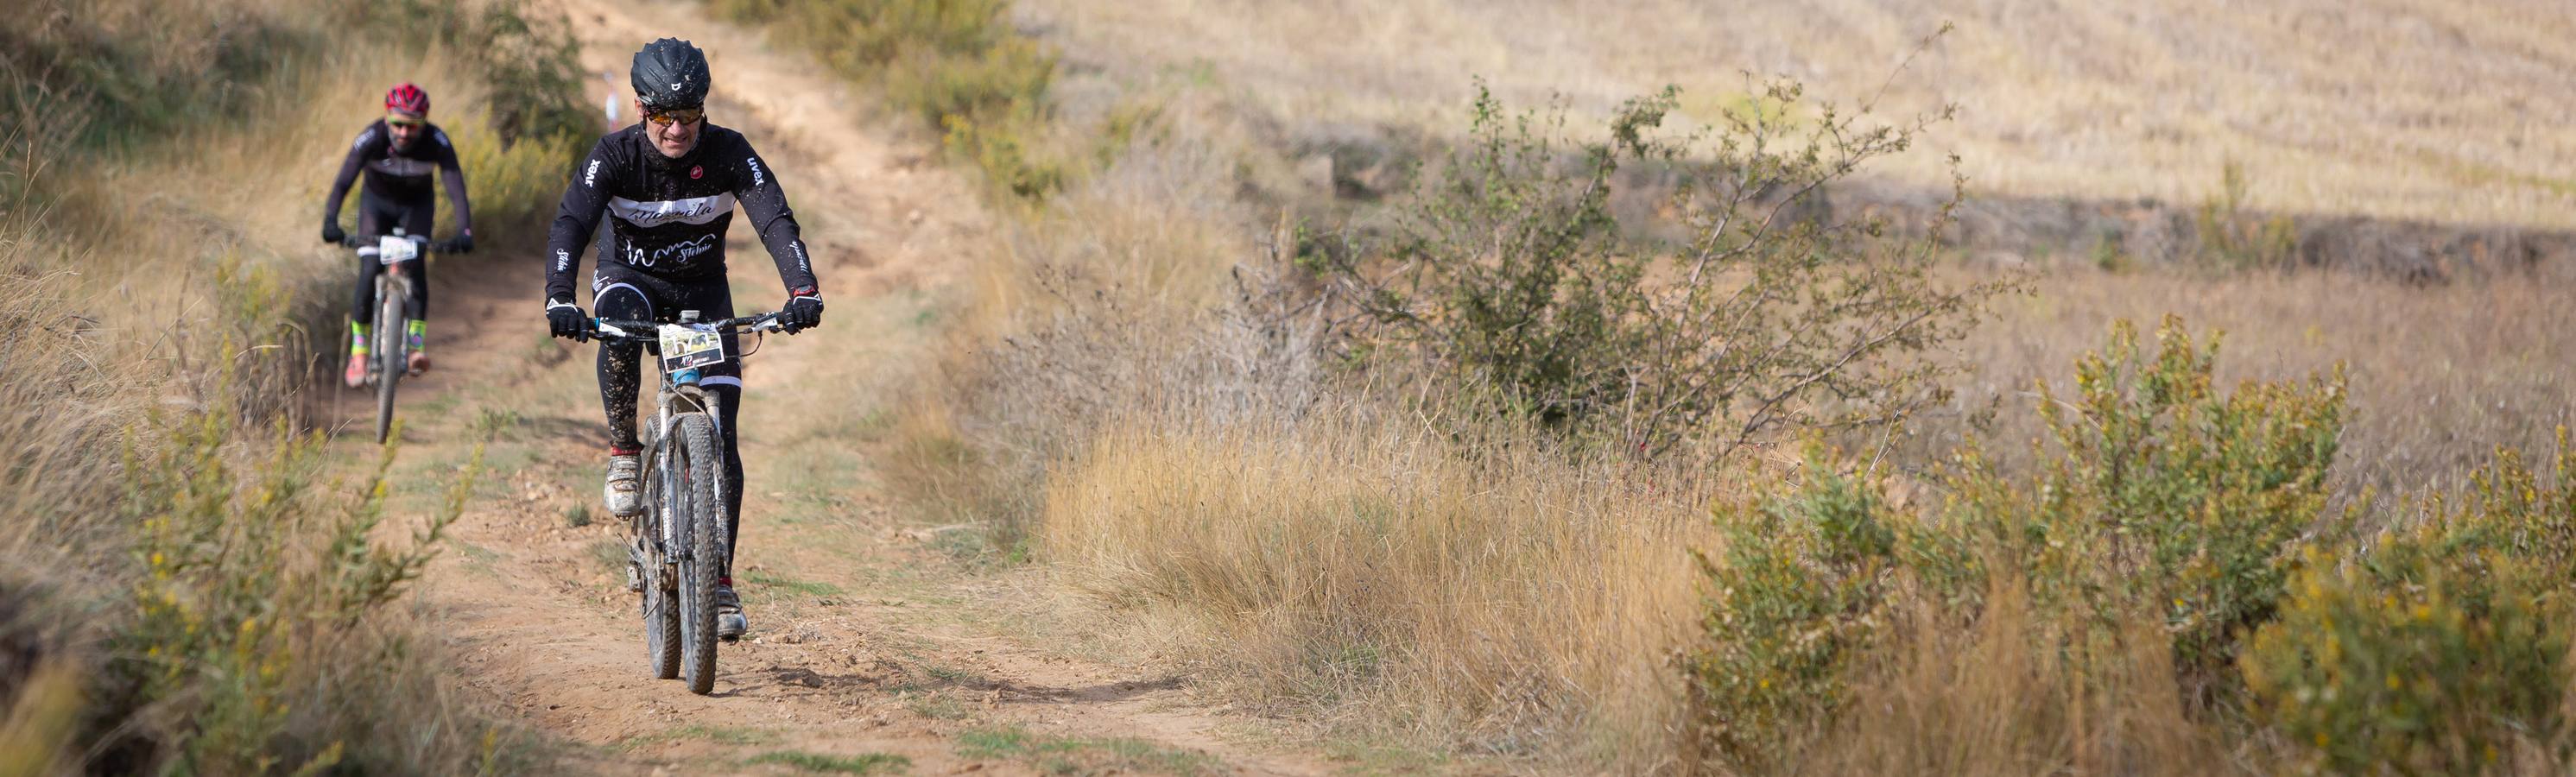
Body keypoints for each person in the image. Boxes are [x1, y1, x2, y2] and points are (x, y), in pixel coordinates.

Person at [541, 38, 825, 639]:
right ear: (642, 109)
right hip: (630, 282)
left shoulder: (728, 152)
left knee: (721, 439)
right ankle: (624, 453)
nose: (676, 128)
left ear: (704, 108)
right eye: (662, 114)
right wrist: (560, 296)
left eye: (689, 113)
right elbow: (571, 222)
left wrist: (802, 289)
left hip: (702, 295)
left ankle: (718, 580)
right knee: (616, 329)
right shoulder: (614, 155)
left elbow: (775, 218)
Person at [321, 82, 474, 387]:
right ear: (387, 118)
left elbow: (455, 186)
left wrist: (464, 230)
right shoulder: (372, 137)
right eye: (398, 124)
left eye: (412, 126)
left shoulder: (436, 141)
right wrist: (330, 221)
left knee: (416, 270)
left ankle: (415, 347)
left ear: (424, 122)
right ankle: (359, 354)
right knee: (368, 271)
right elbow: (342, 182)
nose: (404, 132)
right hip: (375, 208)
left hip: (416, 208)